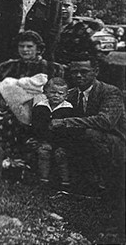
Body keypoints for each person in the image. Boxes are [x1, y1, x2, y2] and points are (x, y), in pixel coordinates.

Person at [49, 56, 126, 197]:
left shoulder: (111, 92)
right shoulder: (70, 94)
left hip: (115, 144)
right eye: (74, 72)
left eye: (84, 71)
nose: (78, 75)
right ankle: (76, 181)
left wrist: (66, 122)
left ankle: (105, 183)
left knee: (90, 133)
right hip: (84, 142)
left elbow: (105, 122)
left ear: (95, 71)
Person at [31, 76, 75, 192]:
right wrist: (43, 141)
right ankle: (43, 180)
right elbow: (37, 126)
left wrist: (57, 144)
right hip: (44, 140)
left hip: (62, 142)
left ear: (66, 95)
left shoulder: (69, 109)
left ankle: (65, 182)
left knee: (61, 154)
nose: (56, 96)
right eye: (52, 92)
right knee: (43, 152)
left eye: (60, 93)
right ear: (45, 93)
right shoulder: (41, 107)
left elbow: (69, 131)